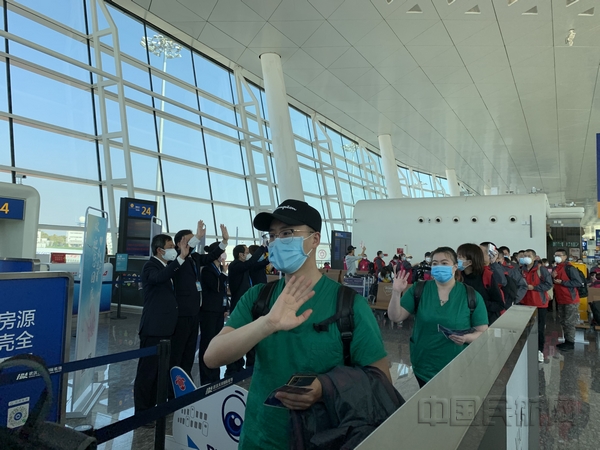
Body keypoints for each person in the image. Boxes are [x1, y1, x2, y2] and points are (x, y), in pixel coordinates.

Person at [204, 199, 389, 449]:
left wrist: (325, 388)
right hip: (259, 437)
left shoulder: (348, 304)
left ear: (315, 239)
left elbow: (381, 379)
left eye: (288, 233)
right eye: (273, 235)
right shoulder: (258, 297)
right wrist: (268, 323)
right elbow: (212, 357)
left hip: (325, 439)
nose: (277, 241)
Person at [387, 246, 488, 387]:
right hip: (424, 364)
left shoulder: (470, 296)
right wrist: (396, 292)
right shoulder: (419, 289)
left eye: (444, 263)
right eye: (435, 263)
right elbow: (395, 317)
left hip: (457, 365)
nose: (439, 266)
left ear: (455, 267)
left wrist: (467, 338)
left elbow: (483, 332)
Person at [134, 233, 190, 417]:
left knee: (159, 371)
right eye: (170, 246)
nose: (174, 249)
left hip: (167, 328)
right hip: (154, 328)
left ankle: (155, 408)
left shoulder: (166, 266)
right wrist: (180, 258)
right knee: (147, 372)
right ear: (159, 250)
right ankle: (142, 412)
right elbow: (159, 278)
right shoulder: (151, 266)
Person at [171, 222, 229, 379]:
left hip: (195, 311)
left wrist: (224, 241)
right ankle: (174, 383)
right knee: (179, 350)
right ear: (180, 243)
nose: (193, 243)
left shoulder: (195, 258)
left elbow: (211, 256)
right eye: (190, 240)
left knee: (190, 350)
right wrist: (197, 236)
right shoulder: (176, 257)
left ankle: (186, 379)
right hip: (182, 311)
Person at [226, 242, 268, 374]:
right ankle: (233, 367)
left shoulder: (243, 267)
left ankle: (247, 364)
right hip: (238, 305)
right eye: (246, 252)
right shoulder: (236, 265)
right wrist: (262, 248)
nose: (248, 254)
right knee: (236, 336)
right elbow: (251, 263)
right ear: (240, 254)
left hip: (246, 305)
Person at [198, 241, 229, 386]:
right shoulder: (207, 270)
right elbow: (216, 286)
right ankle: (206, 376)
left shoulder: (218, 269)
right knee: (207, 341)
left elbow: (223, 291)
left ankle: (215, 374)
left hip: (218, 309)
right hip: (208, 310)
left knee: (216, 341)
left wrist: (225, 307)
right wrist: (224, 273)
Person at [457, 243, 506, 325]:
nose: (457, 260)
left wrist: (476, 303)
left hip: (485, 322)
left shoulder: (486, 275)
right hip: (463, 321)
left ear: (470, 261)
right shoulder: (457, 276)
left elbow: (499, 305)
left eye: (460, 257)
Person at [521, 249, 552, 363]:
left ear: (534, 258)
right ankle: (527, 349)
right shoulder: (521, 270)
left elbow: (548, 284)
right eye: (524, 255)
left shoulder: (541, 269)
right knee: (526, 328)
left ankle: (539, 350)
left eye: (529, 256)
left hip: (539, 303)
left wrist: (534, 287)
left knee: (539, 329)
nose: (526, 257)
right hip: (525, 303)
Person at [552, 249, 582, 350]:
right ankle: (566, 340)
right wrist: (553, 278)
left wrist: (563, 282)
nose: (557, 257)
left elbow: (578, 282)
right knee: (563, 321)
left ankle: (570, 343)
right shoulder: (556, 268)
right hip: (560, 299)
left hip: (570, 299)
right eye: (555, 255)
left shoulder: (570, 268)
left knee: (569, 322)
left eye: (559, 255)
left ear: (565, 257)